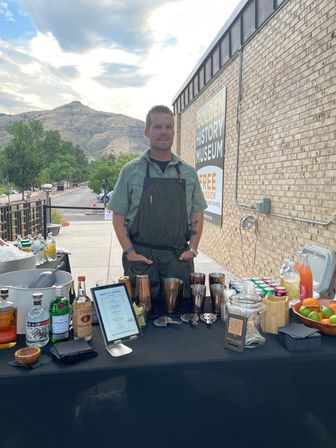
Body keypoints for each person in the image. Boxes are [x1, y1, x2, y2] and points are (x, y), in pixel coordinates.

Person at [108, 105, 207, 300]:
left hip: (178, 259)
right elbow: (118, 217)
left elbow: (197, 212)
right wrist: (130, 252)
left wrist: (193, 249)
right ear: (147, 131)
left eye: (168, 127)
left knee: (180, 317)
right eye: (158, 127)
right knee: (141, 316)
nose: (164, 132)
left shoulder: (188, 172)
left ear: (174, 131)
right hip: (141, 259)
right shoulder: (130, 171)